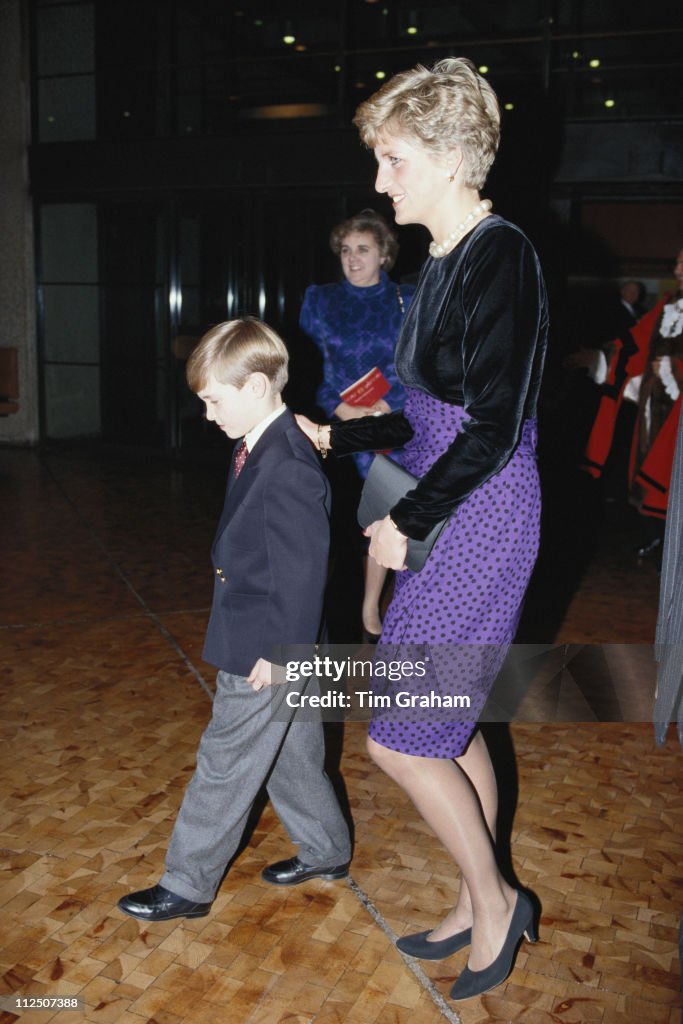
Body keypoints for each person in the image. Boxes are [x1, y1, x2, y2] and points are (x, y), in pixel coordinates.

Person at [297, 58, 547, 1001]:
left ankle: (495, 901)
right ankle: (470, 894)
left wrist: (404, 520)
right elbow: (424, 411)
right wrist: (341, 432)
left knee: (399, 737)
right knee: (443, 725)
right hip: (447, 504)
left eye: (392, 158)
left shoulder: (501, 256)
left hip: (479, 516)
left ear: (446, 155)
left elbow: (491, 428)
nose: (378, 180)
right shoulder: (442, 262)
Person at [117, 318, 351, 923]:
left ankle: (187, 884)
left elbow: (305, 575)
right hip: (280, 641)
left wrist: (279, 654)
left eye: (213, 400)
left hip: (267, 646)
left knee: (224, 762)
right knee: (294, 756)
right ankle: (327, 852)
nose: (207, 414)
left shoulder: (288, 464)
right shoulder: (261, 441)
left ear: (254, 387)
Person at [300, 210, 415, 640]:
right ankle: (327, 607)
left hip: (391, 423)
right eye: (345, 250)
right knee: (335, 522)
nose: (352, 259)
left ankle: (372, 606)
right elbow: (314, 367)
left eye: (362, 250)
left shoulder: (407, 298)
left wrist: (386, 404)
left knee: (387, 517)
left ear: (384, 253)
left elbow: (413, 365)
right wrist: (339, 408)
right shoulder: (320, 300)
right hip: (337, 424)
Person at [582, 249, 683, 557]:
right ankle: (658, 538)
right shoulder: (667, 306)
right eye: (677, 260)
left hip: (677, 403)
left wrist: (670, 370)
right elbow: (635, 340)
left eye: (682, 261)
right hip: (655, 402)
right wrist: (603, 355)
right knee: (647, 463)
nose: (677, 267)